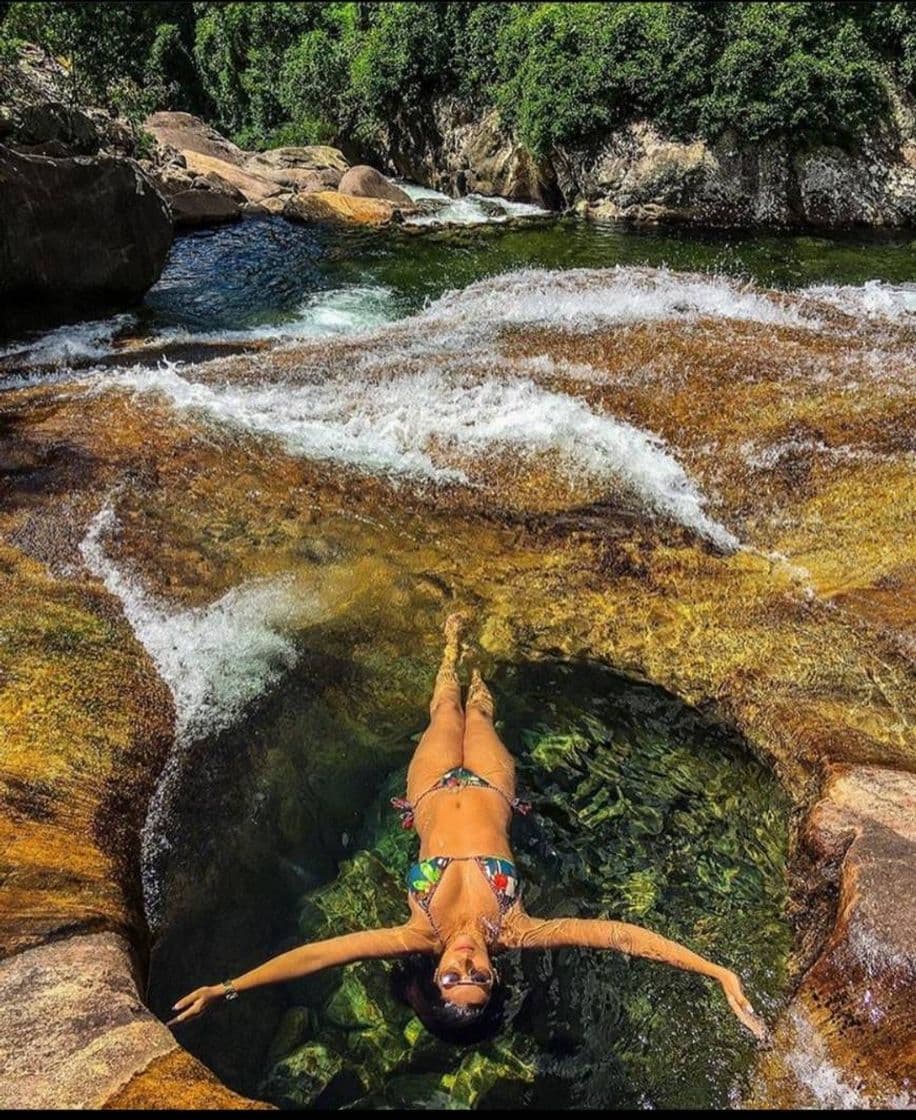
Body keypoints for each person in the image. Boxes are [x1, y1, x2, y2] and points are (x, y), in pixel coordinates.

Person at [169, 613, 767, 1043]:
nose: (465, 965)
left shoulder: (415, 933)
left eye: (452, 979)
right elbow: (616, 935)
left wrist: (228, 988)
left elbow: (321, 954)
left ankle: (451, 646)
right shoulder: (518, 929)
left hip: (429, 788)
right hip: (490, 785)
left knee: (443, 709)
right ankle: (483, 654)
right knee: (479, 710)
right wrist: (715, 972)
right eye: (477, 978)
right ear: (494, 975)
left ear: (434, 978)